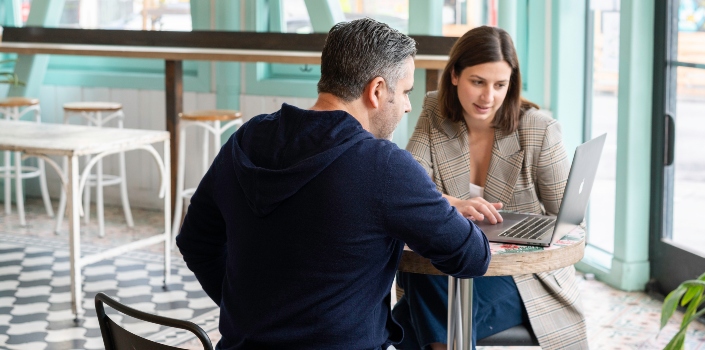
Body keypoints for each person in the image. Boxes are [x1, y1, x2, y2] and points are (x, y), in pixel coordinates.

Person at [175, 18, 492, 350]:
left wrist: (248, 317)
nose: (408, 105)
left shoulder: (248, 138)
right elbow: (472, 256)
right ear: (377, 90)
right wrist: (440, 204)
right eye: (405, 92)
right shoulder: (383, 165)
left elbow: (195, 241)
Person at [393, 26, 588, 350]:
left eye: (500, 85)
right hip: (448, 268)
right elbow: (407, 189)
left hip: (521, 278)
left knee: (404, 319)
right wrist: (450, 203)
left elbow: (572, 225)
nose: (488, 97)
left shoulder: (539, 129)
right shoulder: (434, 111)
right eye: (478, 82)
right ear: (454, 75)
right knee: (431, 278)